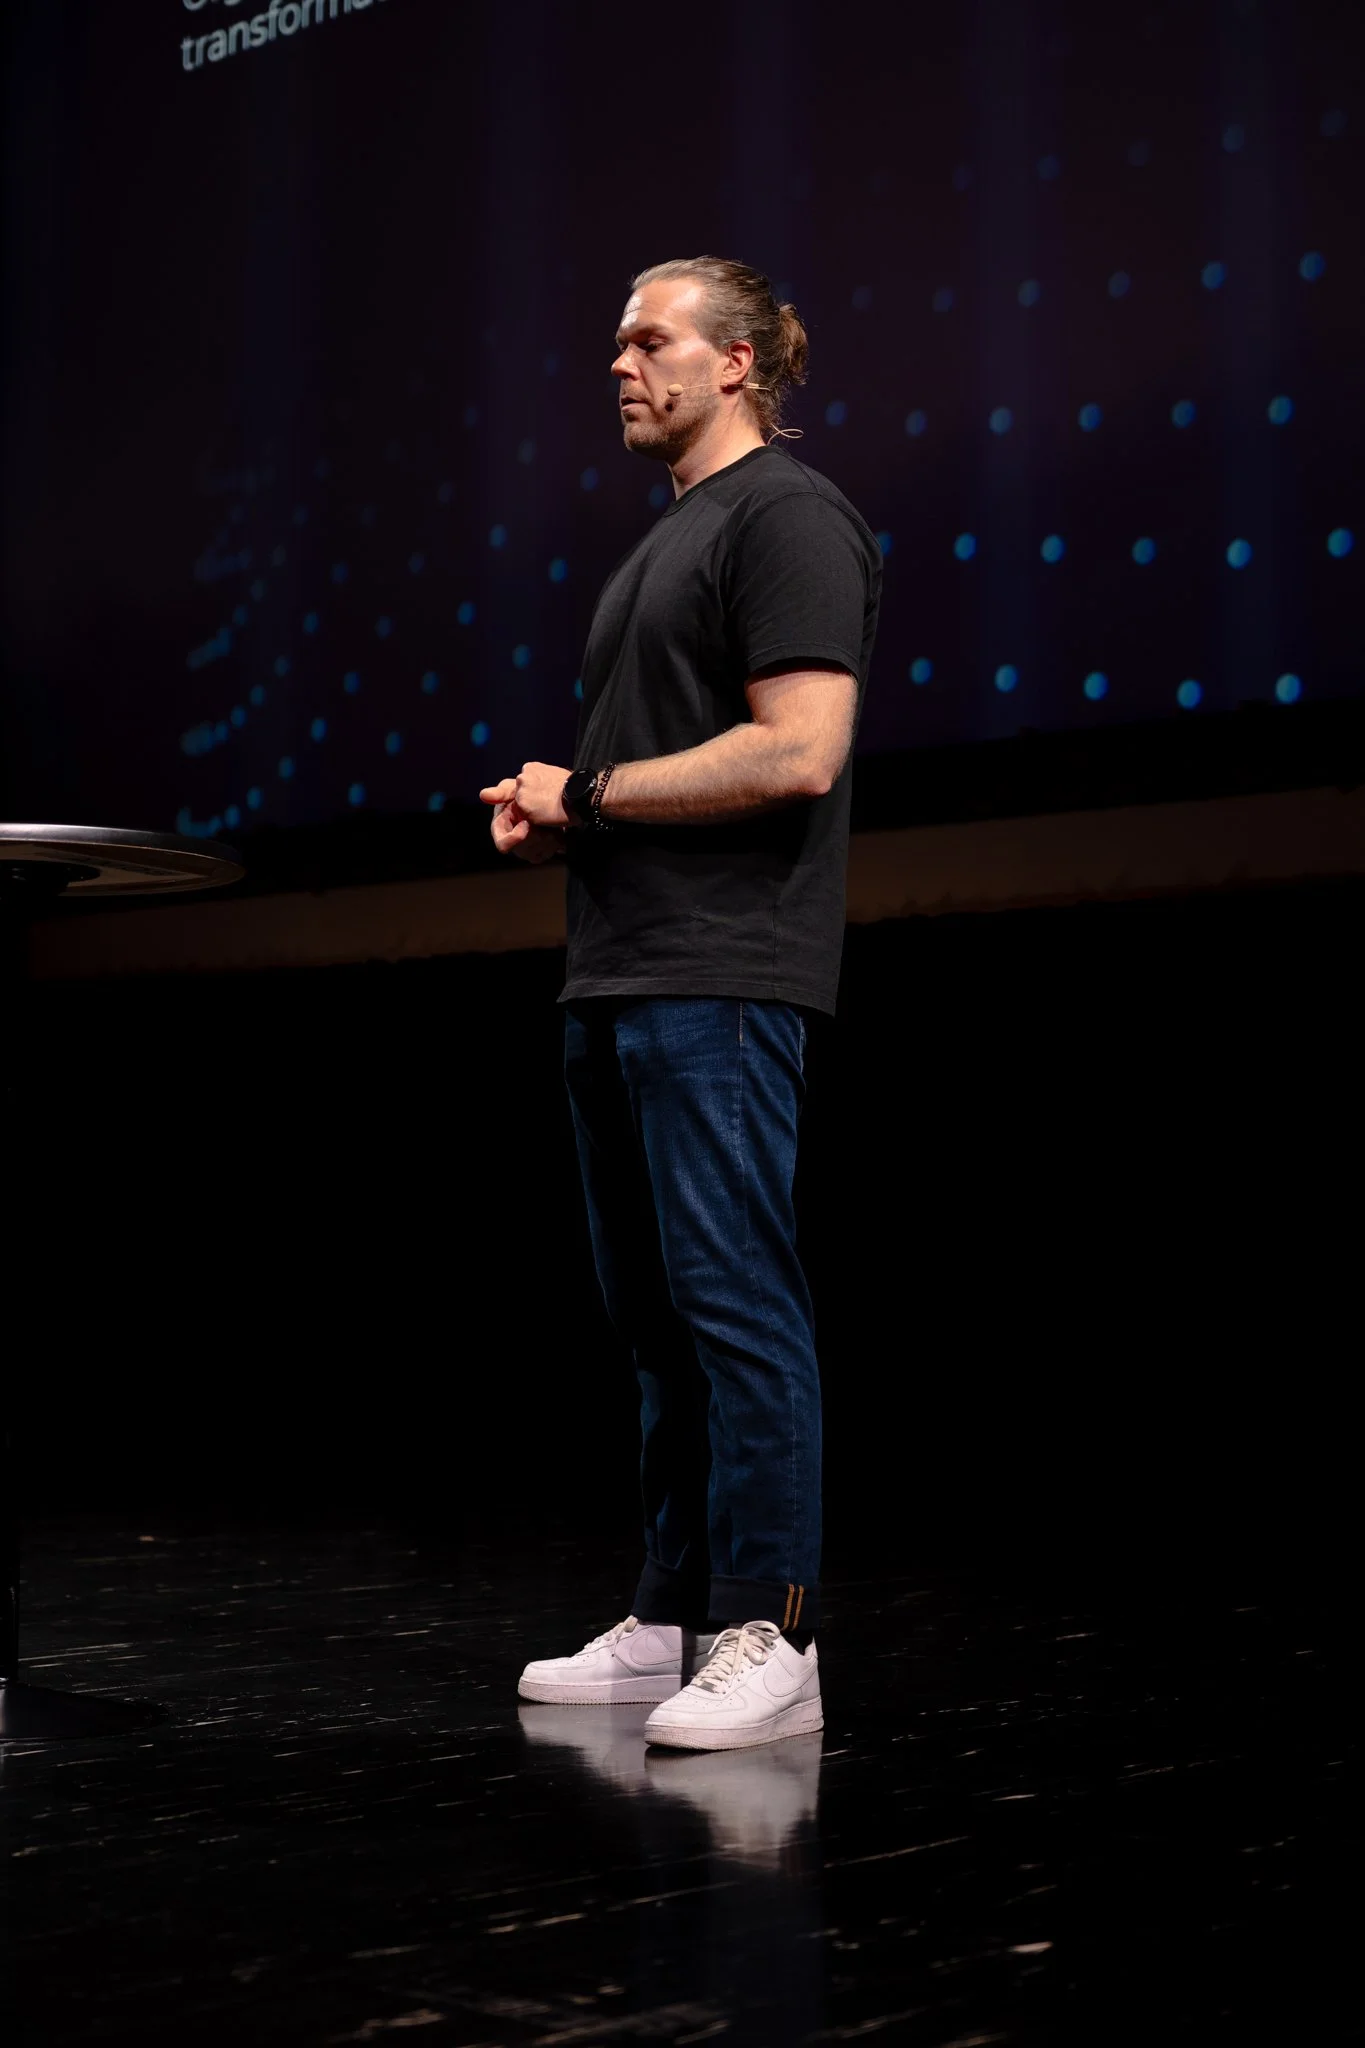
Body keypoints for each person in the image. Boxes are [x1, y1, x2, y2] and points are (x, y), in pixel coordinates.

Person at [480, 256, 881, 1751]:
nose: (619, 362)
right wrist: (579, 819)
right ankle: (670, 1611)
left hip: (722, 974)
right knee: (652, 1318)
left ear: (738, 365)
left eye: (650, 339)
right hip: (624, 971)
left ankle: (772, 1632)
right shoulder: (671, 541)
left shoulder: (787, 514)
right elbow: (667, 771)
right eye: (614, 341)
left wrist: (585, 789)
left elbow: (799, 752)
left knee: (735, 1301)